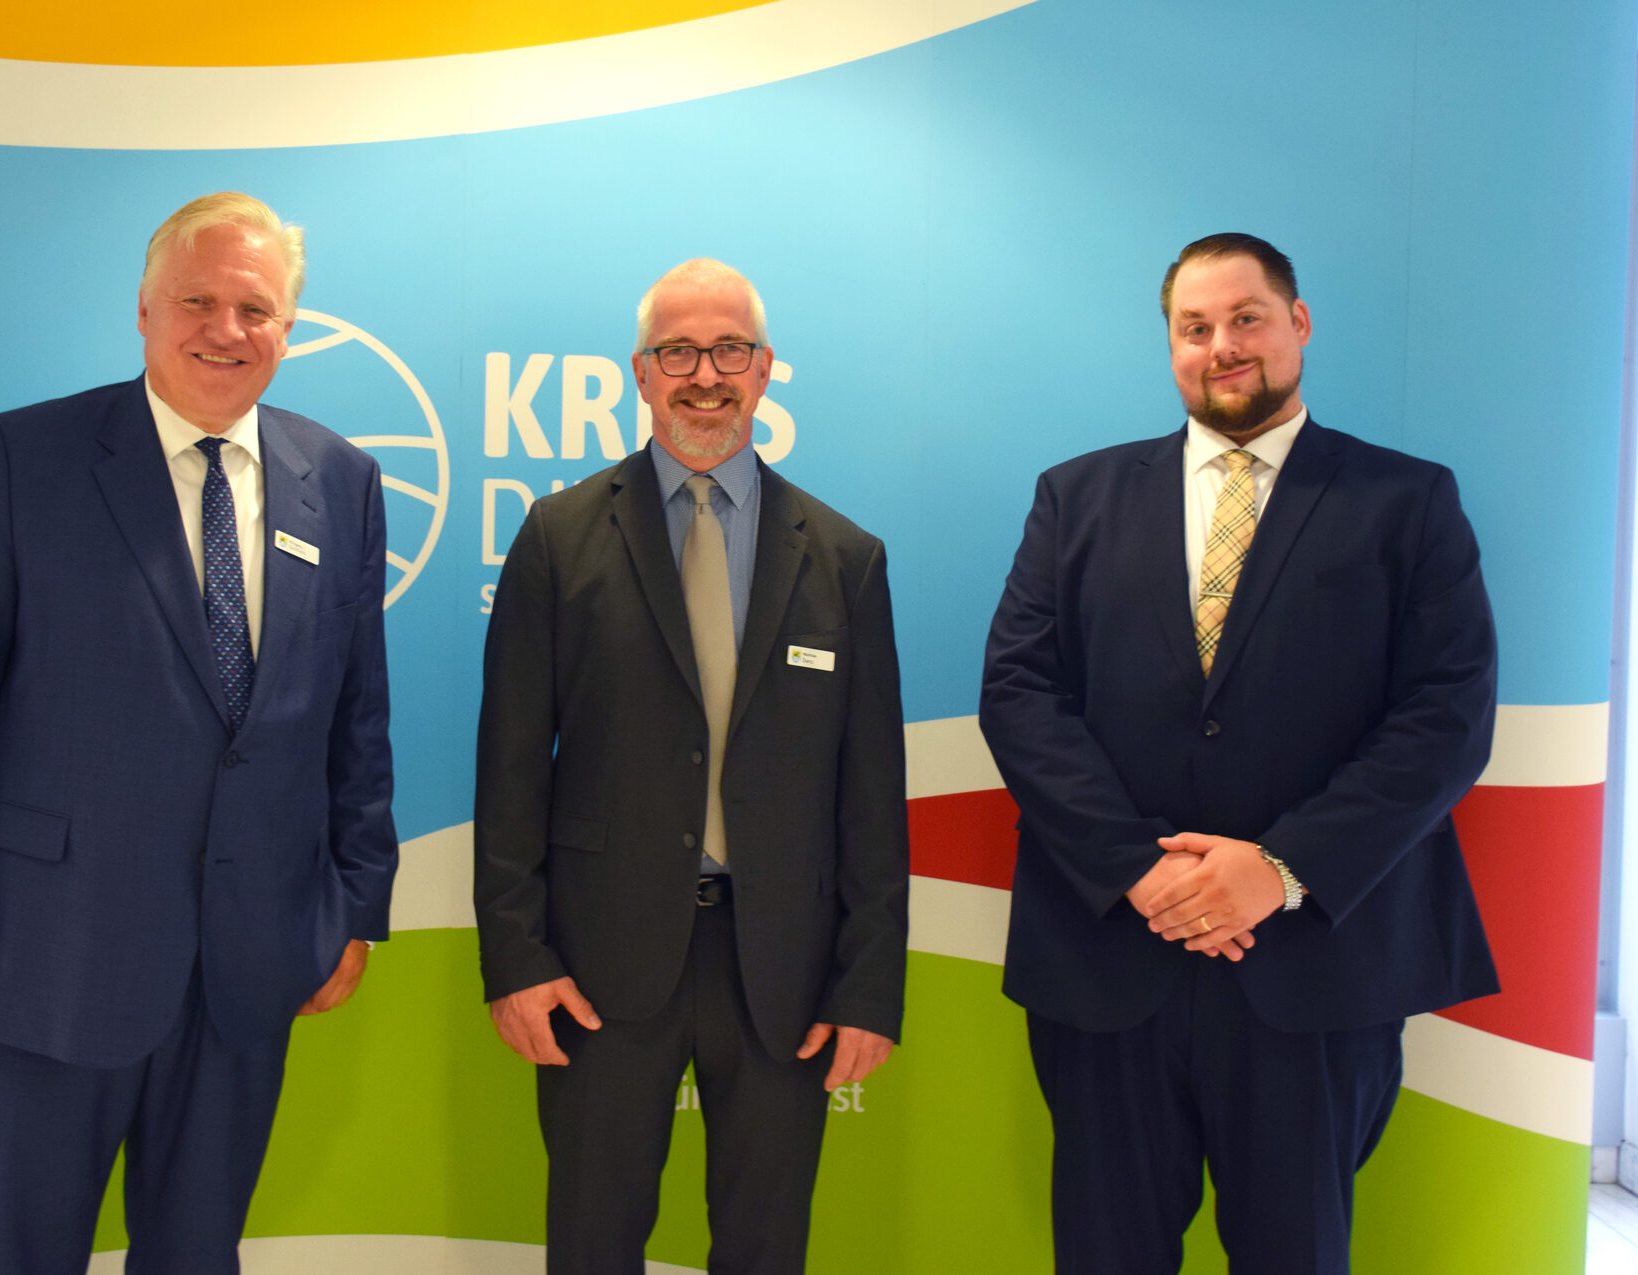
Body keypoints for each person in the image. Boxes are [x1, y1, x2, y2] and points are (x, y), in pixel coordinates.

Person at [0, 191, 398, 1274]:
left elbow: (357, 717)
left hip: (248, 970)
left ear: (288, 328)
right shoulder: (27, 457)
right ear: (145, 311)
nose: (226, 330)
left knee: (199, 1256)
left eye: (255, 309)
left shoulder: (340, 479)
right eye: (197, 302)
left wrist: (353, 908)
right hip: (49, 966)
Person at [979, 232, 1499, 1274]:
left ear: (1297, 323)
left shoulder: (1406, 501)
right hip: (1111, 961)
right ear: (1172, 345)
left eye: (1246, 318)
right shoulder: (1076, 497)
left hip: (1313, 971)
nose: (1222, 345)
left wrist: (1280, 868)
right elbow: (1021, 695)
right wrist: (1137, 869)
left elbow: (1446, 715)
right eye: (1195, 327)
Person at [474, 258, 909, 1273]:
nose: (704, 374)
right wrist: (517, 959)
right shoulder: (558, 537)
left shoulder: (845, 557)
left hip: (784, 973)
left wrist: (868, 986)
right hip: (598, 964)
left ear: (764, 369)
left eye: (728, 351)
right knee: (592, 1243)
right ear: (640, 372)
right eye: (678, 352)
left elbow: (871, 797)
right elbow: (509, 769)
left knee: (766, 1249)